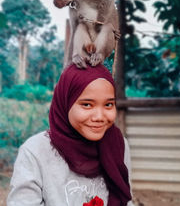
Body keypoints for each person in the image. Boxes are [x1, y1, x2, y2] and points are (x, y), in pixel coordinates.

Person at [7, 64, 133, 206]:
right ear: (65, 103)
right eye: (87, 105)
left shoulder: (117, 145)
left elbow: (125, 200)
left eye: (108, 104)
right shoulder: (35, 152)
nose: (99, 116)